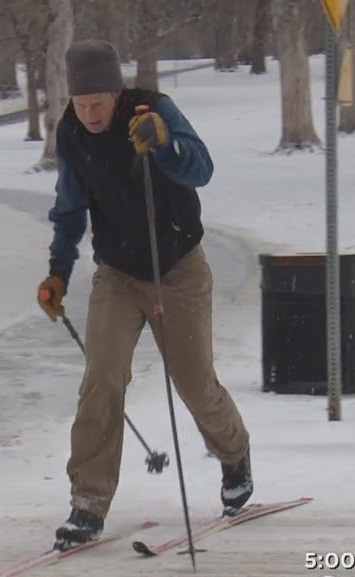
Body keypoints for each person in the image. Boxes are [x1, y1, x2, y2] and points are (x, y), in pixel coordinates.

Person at [37, 40, 253, 548]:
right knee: (102, 380)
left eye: (98, 102)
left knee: (194, 383)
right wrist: (58, 274)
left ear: (116, 93)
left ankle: (234, 456)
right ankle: (87, 503)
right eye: (80, 102)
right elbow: (69, 210)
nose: (89, 113)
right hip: (117, 273)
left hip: (177, 266)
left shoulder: (153, 110)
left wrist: (163, 146)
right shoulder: (71, 134)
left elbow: (202, 169)